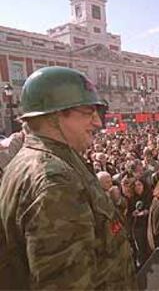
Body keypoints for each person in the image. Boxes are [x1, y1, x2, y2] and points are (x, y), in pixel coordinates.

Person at [0, 66, 136, 289]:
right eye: (87, 112)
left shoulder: (33, 160)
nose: (98, 123)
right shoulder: (54, 180)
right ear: (55, 115)